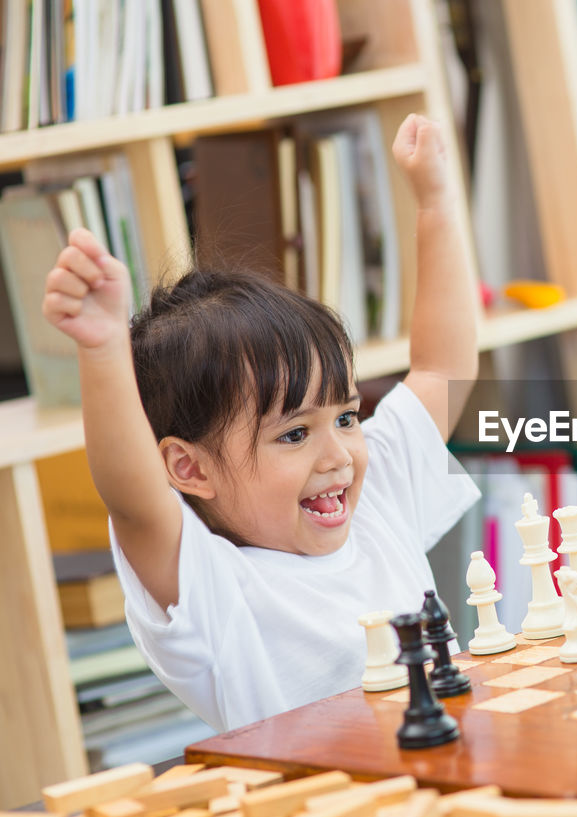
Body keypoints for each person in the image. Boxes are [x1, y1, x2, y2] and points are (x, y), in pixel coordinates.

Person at [41, 114, 480, 732]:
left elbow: (442, 368)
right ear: (189, 468)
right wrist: (100, 346)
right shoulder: (213, 588)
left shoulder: (375, 500)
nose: (338, 456)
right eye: (294, 434)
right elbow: (132, 497)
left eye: (348, 417)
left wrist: (435, 203)